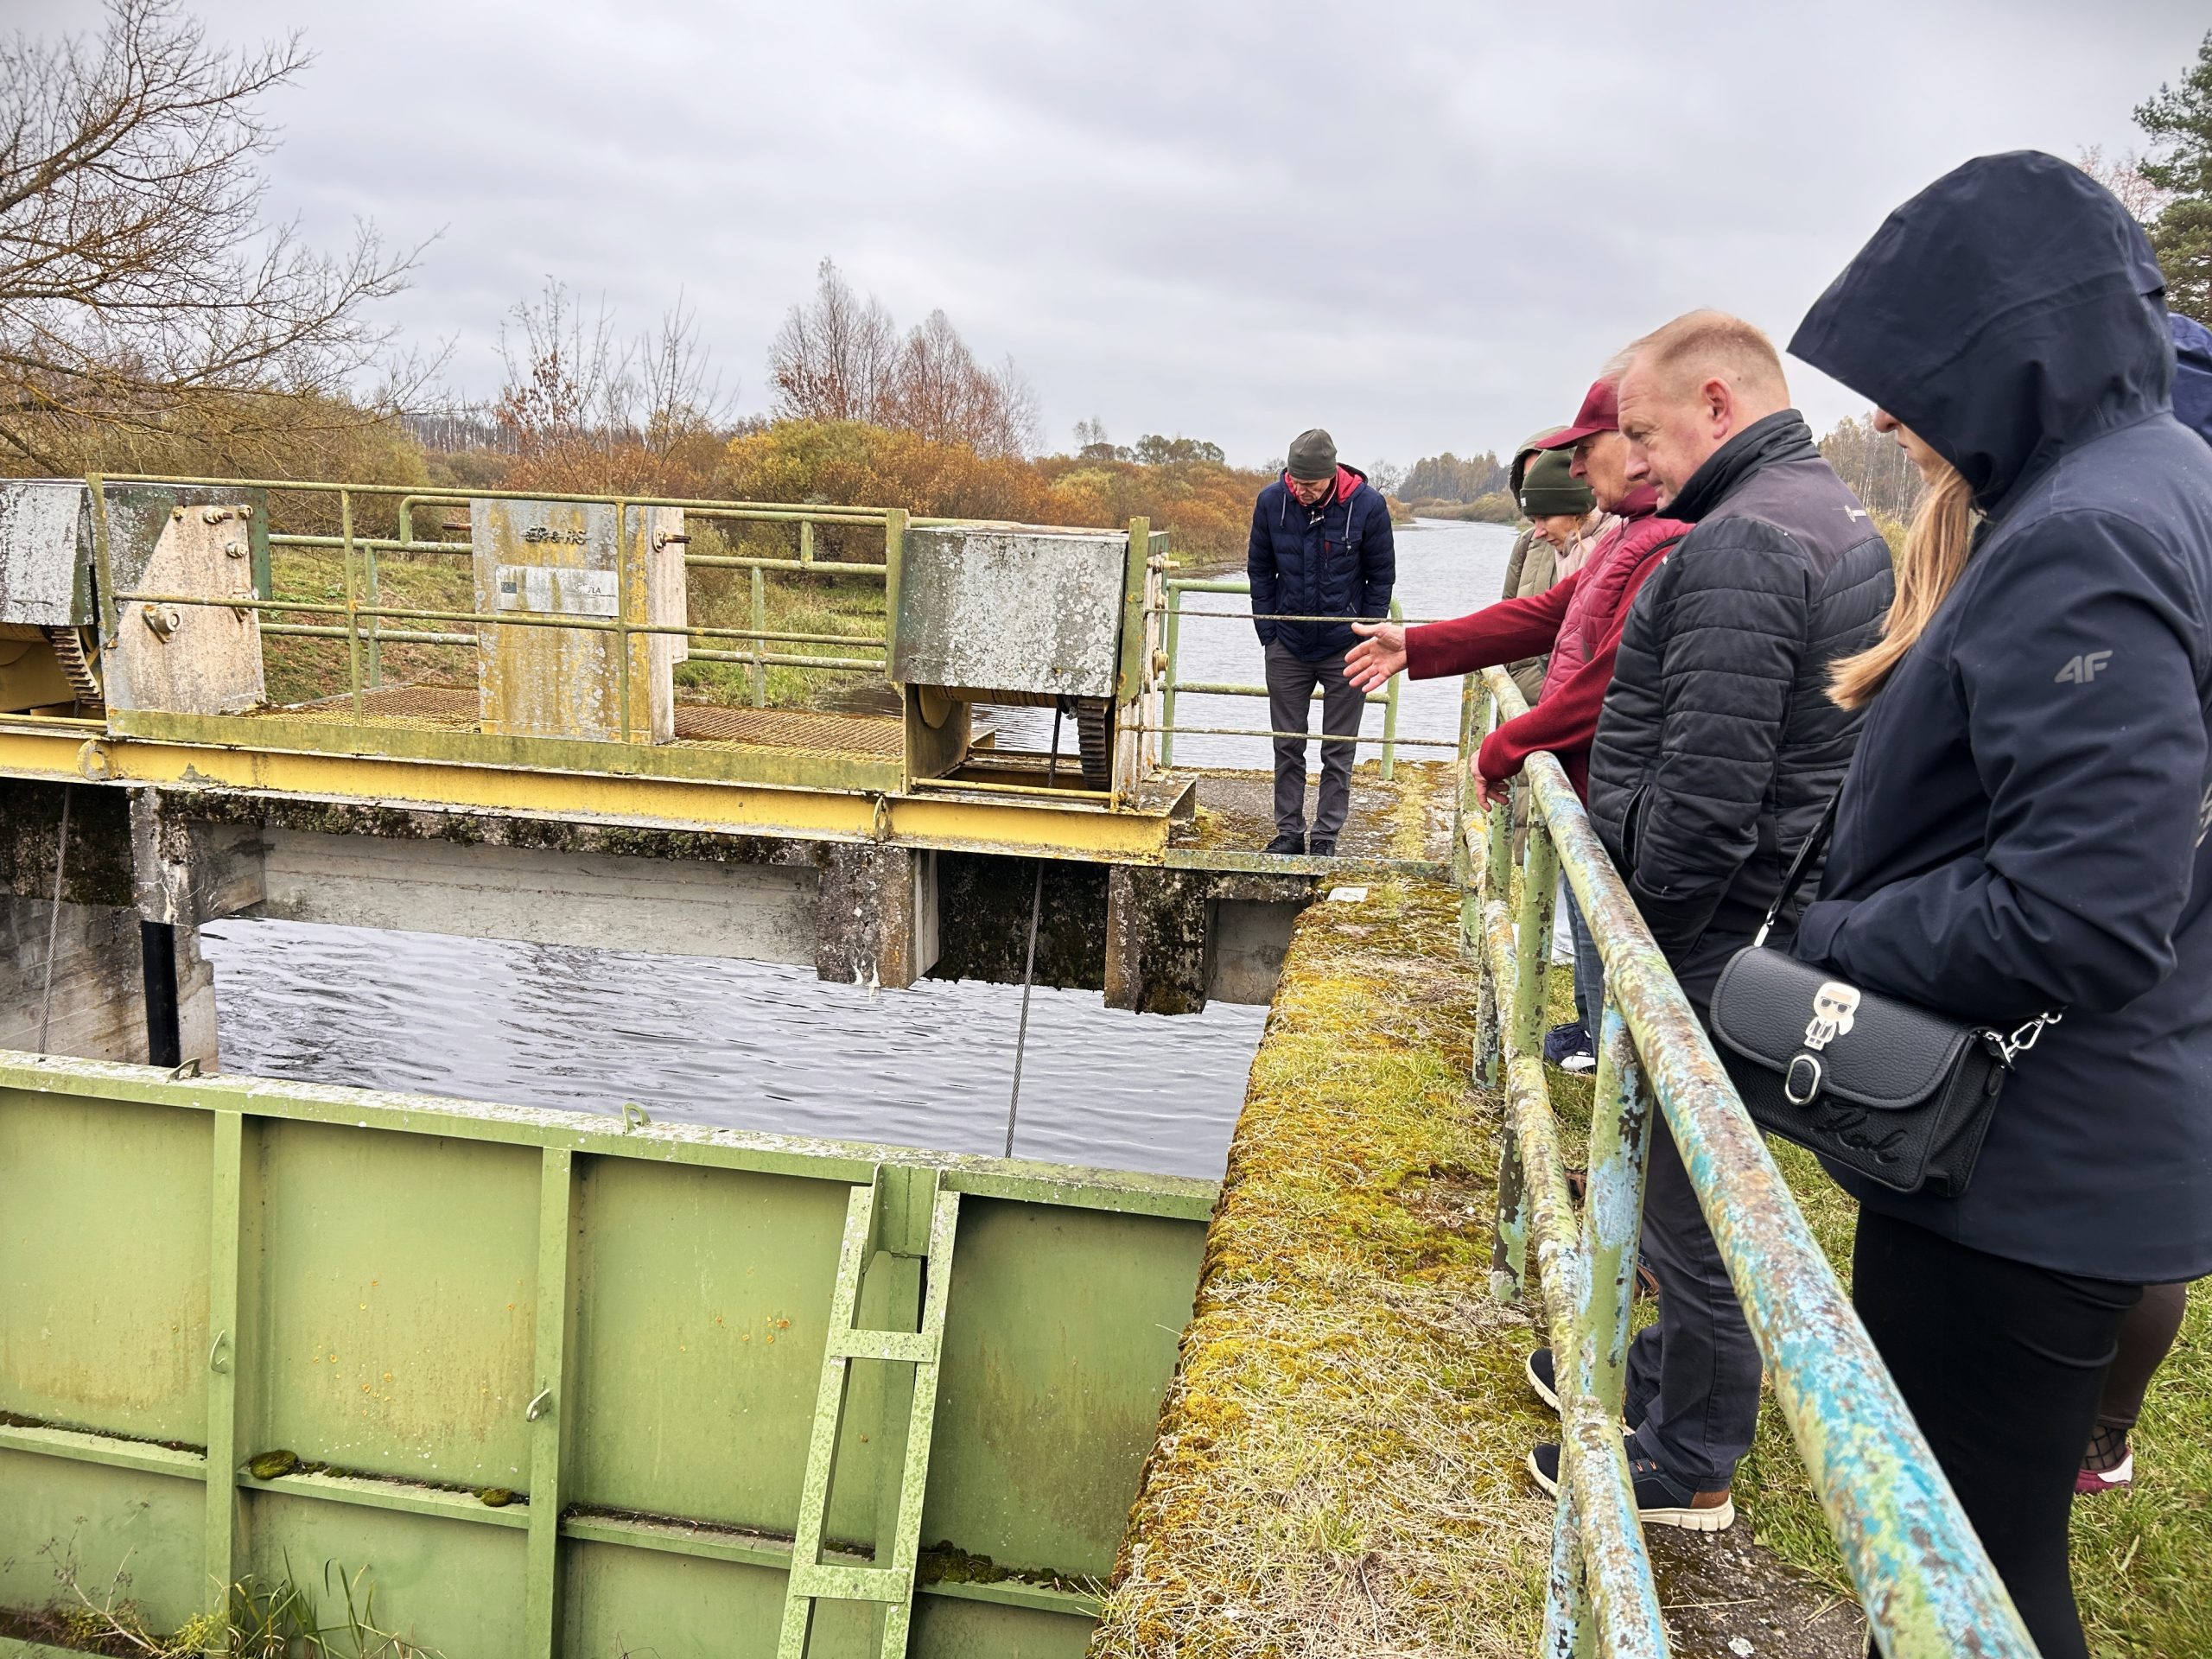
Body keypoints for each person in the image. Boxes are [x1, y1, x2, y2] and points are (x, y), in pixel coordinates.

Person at [1784, 151, 2212, 1657]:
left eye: (1913, 370)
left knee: (1968, 1578)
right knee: (1991, 1553)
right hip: (2102, 1137)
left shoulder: (2082, 531)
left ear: (2004, 343)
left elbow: (2083, 912)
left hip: (2020, 1168)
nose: (1892, 417)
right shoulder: (2169, 476)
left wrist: (1832, 941)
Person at [1524, 314, 1893, 1529]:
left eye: (1646, 432)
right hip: (1775, 919)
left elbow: (1709, 790)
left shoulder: (1741, 544)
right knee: (1692, 1195)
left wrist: (1642, 933)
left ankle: (1688, 1464)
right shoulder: (1829, 511)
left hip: (1713, 939)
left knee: (1692, 1204)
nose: (1638, 463)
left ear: (1718, 405)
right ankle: (1657, 1378)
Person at [1349, 376, 1687, 1080]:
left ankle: (1619, 1104)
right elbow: (1542, 615)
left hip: (1628, 791)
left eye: (1585, 450)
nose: (1581, 471)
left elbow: (1612, 681)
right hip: (1599, 786)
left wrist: (1506, 744)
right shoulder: (1635, 538)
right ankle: (1604, 1062)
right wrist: (1418, 644)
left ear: (1635, 446)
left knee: (1622, 947)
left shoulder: (1664, 544)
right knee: (1598, 933)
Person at [2076, 305, 2212, 1499]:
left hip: (2142, 928)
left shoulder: (2125, 527)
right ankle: (2108, 1428)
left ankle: (2101, 1426)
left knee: (2134, 1151)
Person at [1247, 428, 1395, 857]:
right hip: (1287, 645)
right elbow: (1259, 569)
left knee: (1339, 749)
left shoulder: (1368, 507)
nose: (1301, 491)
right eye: (1295, 482)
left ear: (1331, 475)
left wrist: (1366, 635)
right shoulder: (1272, 502)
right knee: (1287, 744)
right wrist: (1268, 633)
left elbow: (1380, 578)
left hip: (1346, 650)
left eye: (1310, 485)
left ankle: (1326, 836)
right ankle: (1289, 832)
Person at [1496, 430, 1591, 704]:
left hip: (1556, 707)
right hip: (1516, 701)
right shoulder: (1527, 544)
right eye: (1527, 480)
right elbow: (1510, 615)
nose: (1536, 486)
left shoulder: (1598, 548)